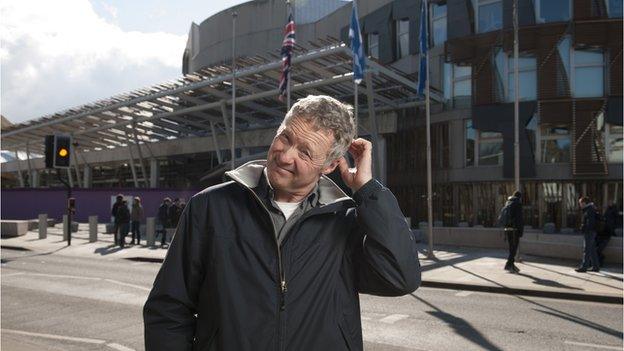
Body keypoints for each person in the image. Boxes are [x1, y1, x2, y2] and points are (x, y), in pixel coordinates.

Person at [143, 95, 421, 350]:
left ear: (329, 165)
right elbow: (168, 308)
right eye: (285, 138)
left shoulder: (346, 221)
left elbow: (400, 278)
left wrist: (367, 190)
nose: (285, 156)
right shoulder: (209, 208)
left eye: (305, 152)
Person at [501, 191, 523, 273]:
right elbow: (519, 219)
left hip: (508, 229)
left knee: (511, 248)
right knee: (514, 249)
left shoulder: (508, 203)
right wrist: (520, 231)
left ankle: (511, 265)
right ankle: (508, 264)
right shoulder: (517, 204)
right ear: (519, 197)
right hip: (514, 230)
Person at [576, 196, 600, 272]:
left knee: (586, 250)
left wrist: (585, 228)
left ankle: (584, 267)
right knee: (592, 249)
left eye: (580, 203)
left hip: (589, 232)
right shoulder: (590, 208)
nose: (580, 205)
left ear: (584, 203)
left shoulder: (589, 210)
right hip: (591, 231)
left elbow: (590, 222)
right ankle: (595, 266)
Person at [597, 201, 618, 266]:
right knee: (596, 249)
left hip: (606, 234)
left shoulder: (614, 210)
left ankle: (600, 261)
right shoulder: (607, 210)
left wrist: (612, 230)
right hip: (603, 234)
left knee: (598, 250)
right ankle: (598, 261)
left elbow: (615, 220)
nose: (609, 203)